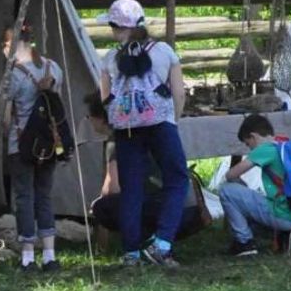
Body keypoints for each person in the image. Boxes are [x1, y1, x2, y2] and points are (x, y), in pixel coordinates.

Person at [98, 0, 190, 268]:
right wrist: (174, 119)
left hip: (127, 129)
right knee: (176, 179)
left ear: (116, 28)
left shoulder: (110, 59)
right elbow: (179, 92)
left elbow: (104, 98)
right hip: (160, 124)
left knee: (132, 188)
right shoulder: (164, 51)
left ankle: (131, 252)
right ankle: (162, 243)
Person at [86, 94, 206, 242]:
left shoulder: (118, 141)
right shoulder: (154, 130)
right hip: (188, 210)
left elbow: (112, 188)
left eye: (89, 116)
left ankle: (146, 238)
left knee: (102, 207)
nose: (89, 120)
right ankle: (158, 239)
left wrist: (97, 201)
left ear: (100, 118)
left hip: (164, 209)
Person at [3, 23, 65, 272]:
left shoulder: (13, 75)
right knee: (44, 195)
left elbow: (6, 117)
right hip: (50, 144)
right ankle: (50, 255)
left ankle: (28, 256)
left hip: (21, 144)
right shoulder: (53, 68)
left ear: (12, 45)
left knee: (24, 197)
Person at [218, 114, 291, 257]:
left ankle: (244, 243)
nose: (249, 149)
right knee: (256, 201)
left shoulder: (265, 149)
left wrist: (242, 187)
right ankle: (283, 234)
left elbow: (230, 175)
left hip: (282, 214)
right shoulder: (284, 144)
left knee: (226, 191)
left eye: (248, 144)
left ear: (253, 136)